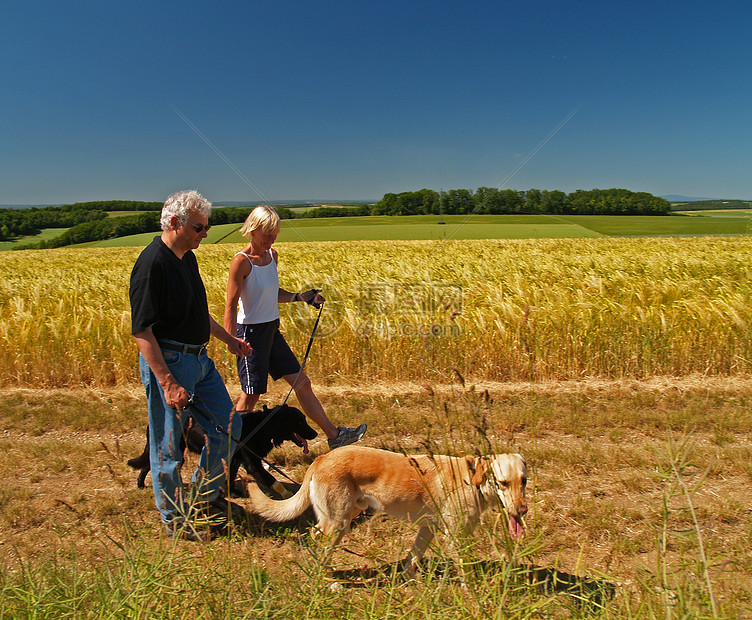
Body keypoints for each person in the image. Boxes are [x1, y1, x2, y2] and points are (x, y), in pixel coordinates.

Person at [129, 189, 252, 540]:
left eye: (206, 228)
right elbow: (142, 331)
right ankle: (174, 519)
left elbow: (198, 313)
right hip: (171, 361)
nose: (204, 234)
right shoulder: (152, 264)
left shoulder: (187, 258)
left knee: (229, 427)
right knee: (168, 446)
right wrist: (168, 383)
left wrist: (229, 340)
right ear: (174, 223)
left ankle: (204, 496)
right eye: (199, 228)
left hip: (200, 360)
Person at [224, 205, 366, 449]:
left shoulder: (272, 256)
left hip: (271, 331)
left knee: (302, 383)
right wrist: (231, 340)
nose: (272, 238)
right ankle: (227, 448)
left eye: (275, 233)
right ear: (253, 230)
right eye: (267, 233)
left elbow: (270, 294)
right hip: (249, 335)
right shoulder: (241, 261)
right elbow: (230, 305)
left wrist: (301, 297)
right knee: (250, 396)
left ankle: (335, 436)